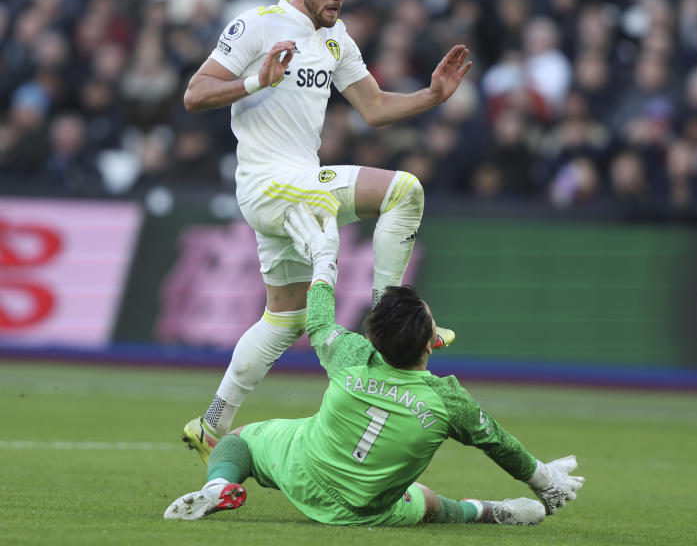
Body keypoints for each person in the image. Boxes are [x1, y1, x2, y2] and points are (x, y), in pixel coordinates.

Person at [179, 0, 469, 462]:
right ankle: (388, 323)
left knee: (283, 319)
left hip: (298, 186)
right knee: (401, 190)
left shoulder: (336, 40)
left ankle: (211, 423)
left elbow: (376, 108)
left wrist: (431, 97)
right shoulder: (256, 25)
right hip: (267, 184)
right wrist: (253, 82)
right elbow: (195, 93)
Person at [163, 203, 584, 526]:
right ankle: (491, 512)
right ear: (429, 345)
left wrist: (325, 261)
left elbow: (319, 321)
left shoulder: (351, 355)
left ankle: (219, 485)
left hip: (304, 470)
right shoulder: (447, 399)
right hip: (365, 510)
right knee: (431, 503)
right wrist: (544, 480)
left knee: (241, 440)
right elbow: (502, 445)